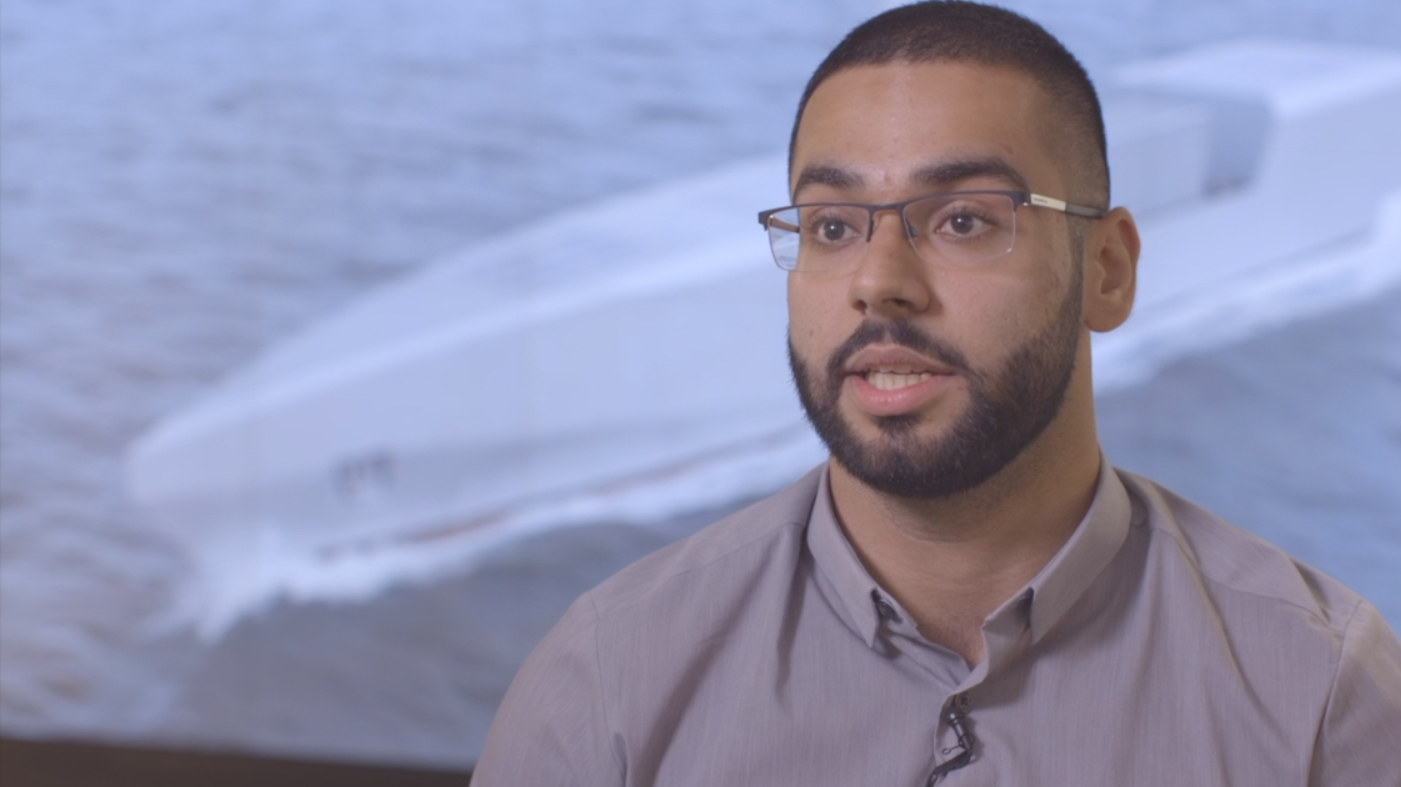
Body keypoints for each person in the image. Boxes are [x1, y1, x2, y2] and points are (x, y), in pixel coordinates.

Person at [472, 2, 1401, 784]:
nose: (878, 283)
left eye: (962, 219)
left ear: (1108, 270)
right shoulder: (606, 685)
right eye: (831, 226)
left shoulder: (1322, 693)